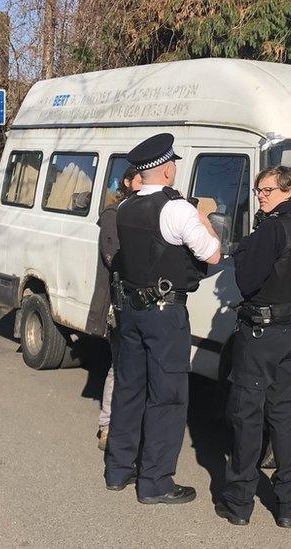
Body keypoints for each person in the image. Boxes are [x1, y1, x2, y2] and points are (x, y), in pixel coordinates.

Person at [104, 133, 221, 504]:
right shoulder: (177, 209)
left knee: (129, 390)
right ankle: (155, 483)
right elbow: (213, 255)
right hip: (164, 313)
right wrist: (203, 215)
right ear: (168, 170)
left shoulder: (124, 208)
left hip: (133, 312)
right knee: (167, 397)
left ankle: (119, 471)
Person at [216, 166, 291, 528]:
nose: (260, 195)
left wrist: (247, 246)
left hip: (261, 332)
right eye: (258, 189)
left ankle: (238, 503)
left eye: (268, 190)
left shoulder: (272, 229)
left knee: (248, 414)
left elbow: (247, 280)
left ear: (288, 191)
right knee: (283, 415)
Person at [85, 165, 141, 452]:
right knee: (119, 367)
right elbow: (113, 257)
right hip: (117, 304)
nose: (144, 185)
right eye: (139, 179)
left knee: (132, 368)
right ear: (127, 182)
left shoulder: (144, 212)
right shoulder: (113, 214)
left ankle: (127, 426)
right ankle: (107, 426)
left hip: (138, 305)